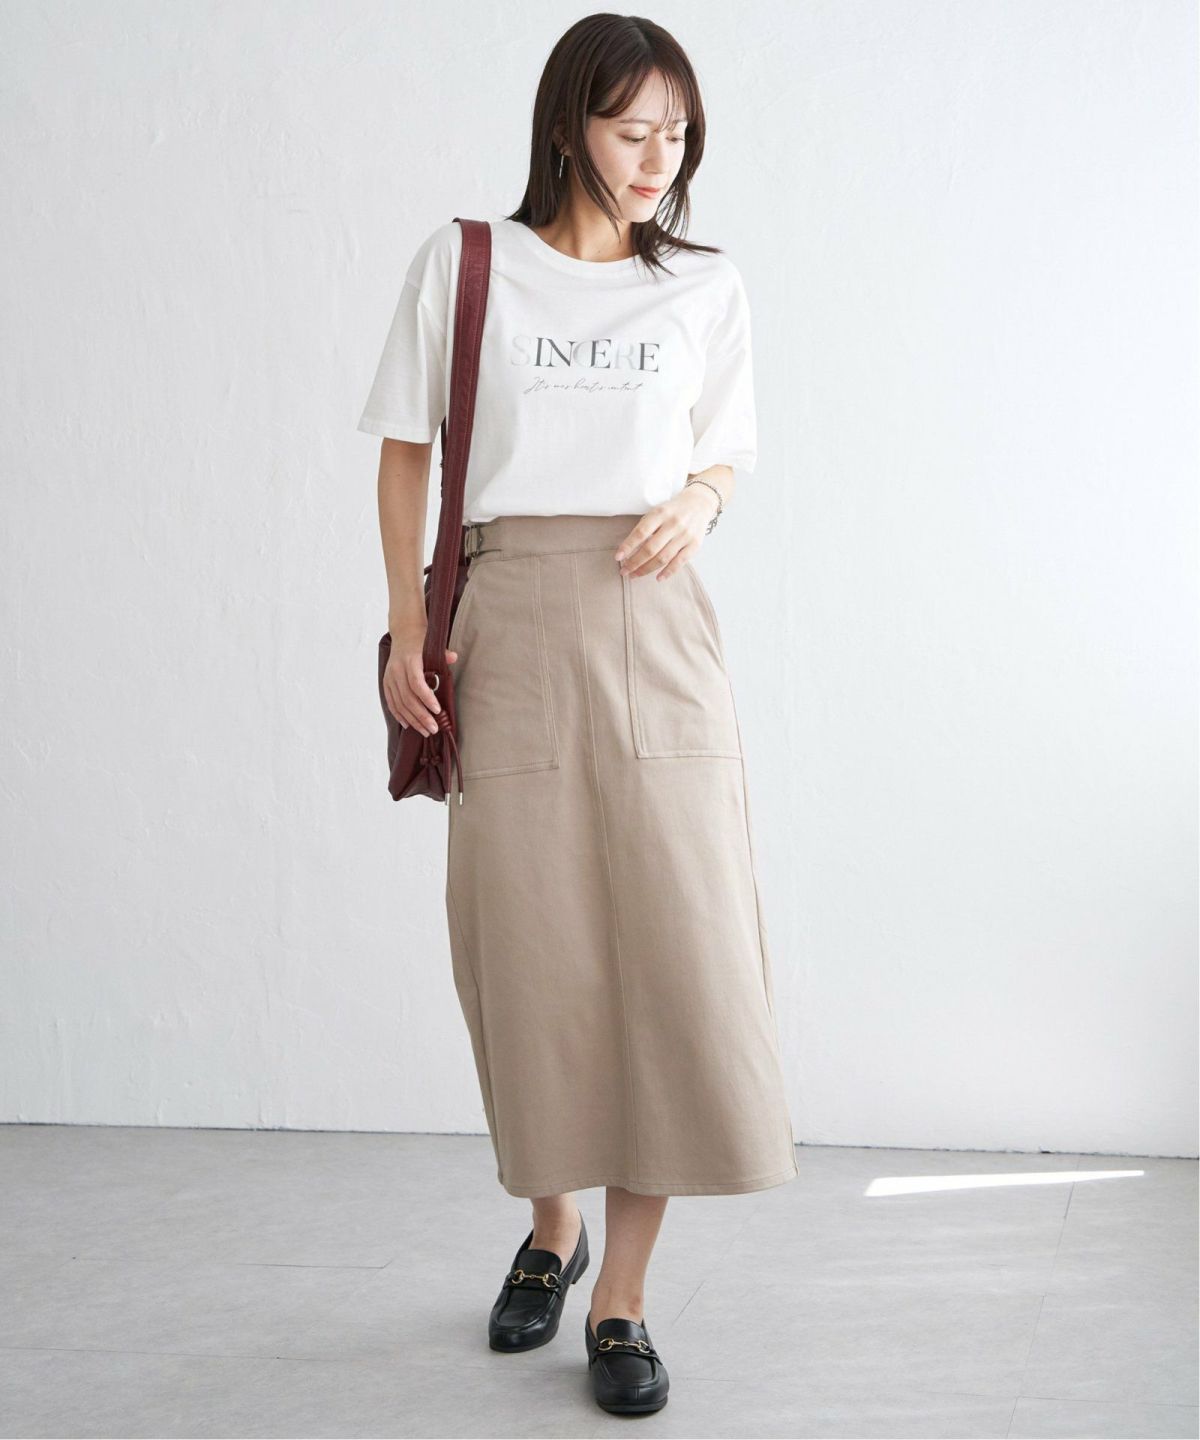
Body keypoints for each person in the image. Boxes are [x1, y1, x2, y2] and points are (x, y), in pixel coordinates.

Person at [356, 13, 797, 1417]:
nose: (660, 157)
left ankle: (624, 1300)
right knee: (527, 948)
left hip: (656, 621)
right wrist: (409, 627)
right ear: (568, 126)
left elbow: (728, 445)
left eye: (679, 131)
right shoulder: (468, 264)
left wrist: (701, 500)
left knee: (676, 943)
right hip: (510, 619)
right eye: (631, 128)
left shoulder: (705, 284)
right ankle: (555, 1227)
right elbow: (407, 451)